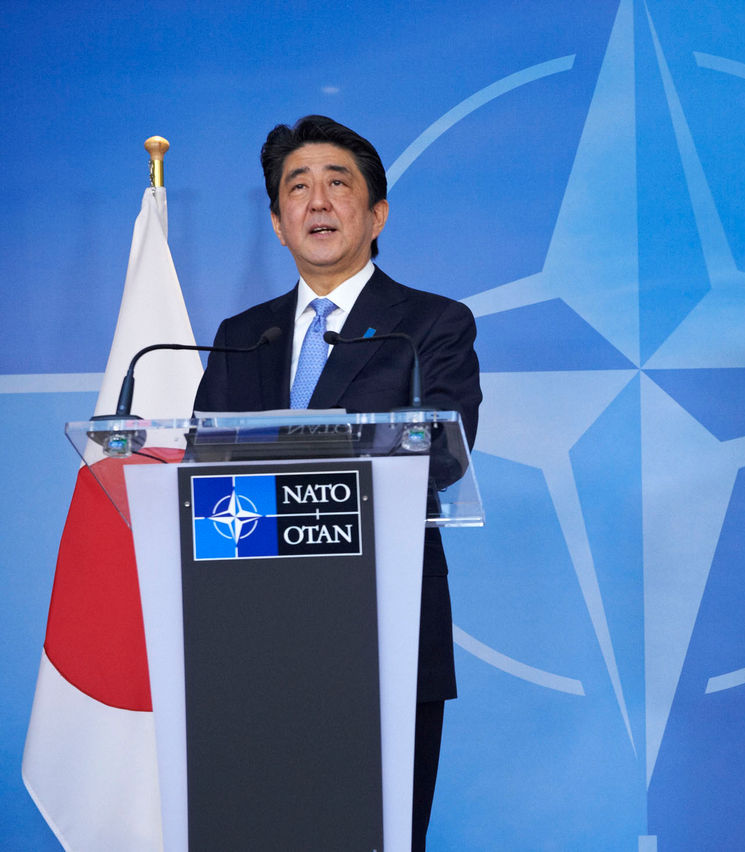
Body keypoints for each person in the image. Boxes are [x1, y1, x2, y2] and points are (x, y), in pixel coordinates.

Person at [193, 115, 481, 851]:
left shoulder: (431, 325)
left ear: (377, 214)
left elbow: (441, 456)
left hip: (384, 629)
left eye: (337, 183)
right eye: (298, 187)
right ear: (277, 223)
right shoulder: (239, 334)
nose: (316, 201)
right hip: (250, 640)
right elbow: (201, 476)